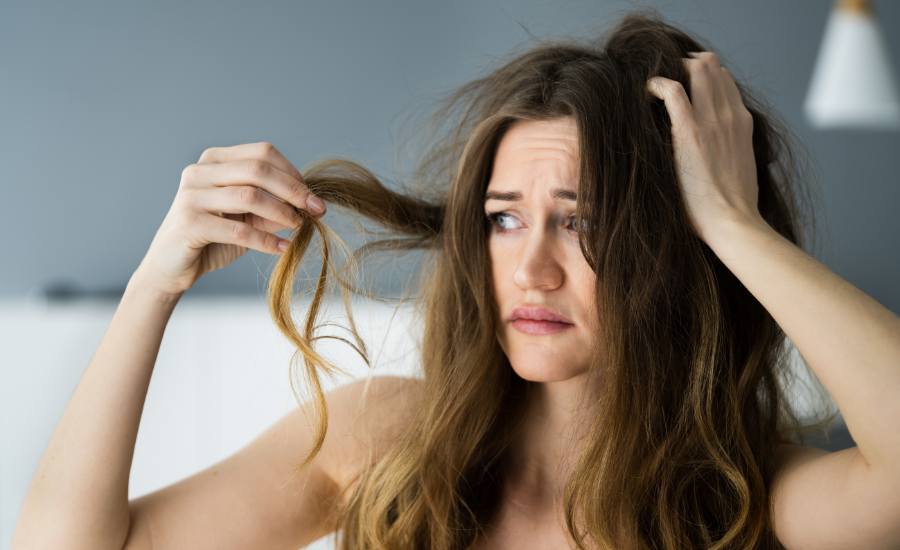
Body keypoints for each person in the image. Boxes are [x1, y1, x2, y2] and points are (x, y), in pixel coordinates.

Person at [13, 9, 900, 550]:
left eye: (585, 222)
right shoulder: (387, 446)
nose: (533, 267)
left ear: (675, 246)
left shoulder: (744, 498)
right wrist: (153, 286)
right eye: (504, 218)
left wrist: (732, 227)